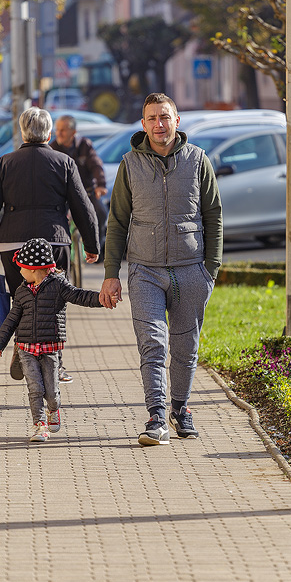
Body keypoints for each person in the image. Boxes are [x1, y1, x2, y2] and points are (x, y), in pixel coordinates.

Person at [100, 92, 223, 446]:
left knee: (185, 347)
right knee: (153, 343)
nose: (159, 124)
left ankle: (180, 409)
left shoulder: (197, 160)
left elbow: (213, 215)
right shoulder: (129, 164)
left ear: (177, 121)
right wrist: (111, 274)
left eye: (165, 117)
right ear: (143, 124)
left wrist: (210, 270)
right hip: (145, 271)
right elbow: (117, 221)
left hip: (191, 271)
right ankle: (156, 416)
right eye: (152, 118)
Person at [0, 107, 100, 383]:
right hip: (53, 240)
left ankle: (23, 349)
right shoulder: (64, 162)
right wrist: (92, 244)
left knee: (20, 299)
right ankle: (55, 363)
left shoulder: (4, 163)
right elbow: (82, 206)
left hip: (13, 243)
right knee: (54, 301)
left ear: (22, 132)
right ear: (48, 133)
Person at [0, 238, 116, 442]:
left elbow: (79, 296)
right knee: (35, 388)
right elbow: (12, 318)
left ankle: (53, 409)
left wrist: (101, 299)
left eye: (21, 267)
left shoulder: (58, 285)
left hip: (50, 346)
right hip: (25, 347)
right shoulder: (22, 291)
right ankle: (40, 425)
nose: (19, 272)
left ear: (33, 269)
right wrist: (0, 342)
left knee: (51, 391)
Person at [50, 115, 108, 254]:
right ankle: (61, 251)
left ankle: (97, 247)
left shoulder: (84, 145)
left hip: (85, 191)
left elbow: (96, 165)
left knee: (100, 213)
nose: (59, 133)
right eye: (57, 129)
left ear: (73, 132)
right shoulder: (52, 148)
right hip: (62, 194)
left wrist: (100, 185)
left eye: (63, 130)